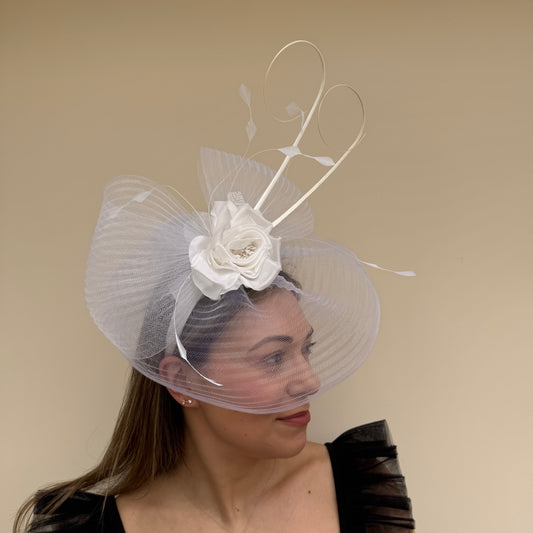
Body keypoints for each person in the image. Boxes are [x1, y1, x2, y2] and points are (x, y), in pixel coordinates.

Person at [14, 41, 415, 533]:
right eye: (273, 357)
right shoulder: (86, 528)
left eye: (305, 349)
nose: (310, 381)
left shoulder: (357, 486)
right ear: (182, 382)